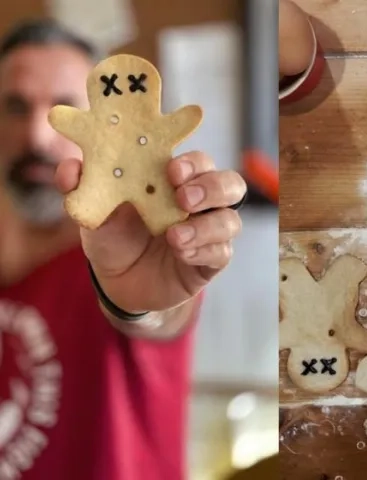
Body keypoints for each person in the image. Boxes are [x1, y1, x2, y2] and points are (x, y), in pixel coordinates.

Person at [0, 19, 247, 480]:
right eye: (15, 106)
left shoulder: (132, 252)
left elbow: (153, 313)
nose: (36, 135)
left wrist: (136, 303)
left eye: (62, 106)